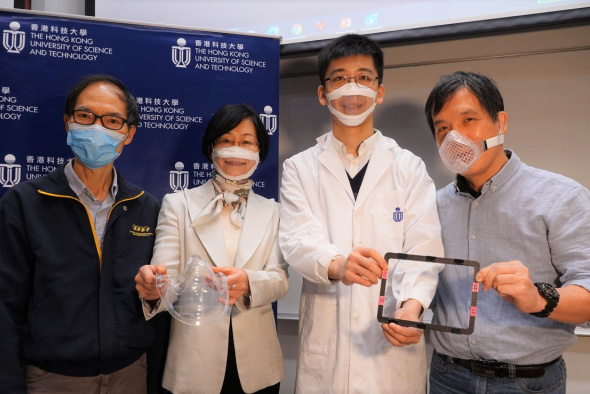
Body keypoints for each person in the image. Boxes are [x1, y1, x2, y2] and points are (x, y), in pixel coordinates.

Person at [278, 33, 444, 393]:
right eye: (339, 78)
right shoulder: (299, 168)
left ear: (379, 91)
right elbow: (296, 239)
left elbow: (424, 249)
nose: (351, 89)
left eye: (364, 77)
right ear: (323, 94)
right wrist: (338, 265)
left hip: (390, 340)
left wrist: (412, 308)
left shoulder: (409, 167)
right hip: (327, 343)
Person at [425, 70, 590, 393]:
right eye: (442, 128)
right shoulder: (433, 206)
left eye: (468, 120)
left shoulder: (562, 197)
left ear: (500, 123)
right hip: (447, 375)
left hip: (528, 382)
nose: (454, 138)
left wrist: (538, 297)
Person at [0, 74, 161, 393]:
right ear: (67, 122)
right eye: (85, 116)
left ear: (128, 133)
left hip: (131, 373)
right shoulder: (24, 203)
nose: (97, 128)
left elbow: (156, 303)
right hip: (51, 379)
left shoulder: (145, 206)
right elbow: (5, 305)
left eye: (113, 120)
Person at [135, 103, 289, 394]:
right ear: (211, 148)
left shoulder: (274, 211)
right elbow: (165, 278)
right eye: (227, 141)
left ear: (259, 149)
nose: (236, 150)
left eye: (246, 142)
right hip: (194, 361)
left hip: (258, 364)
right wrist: (155, 288)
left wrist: (248, 282)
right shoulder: (178, 204)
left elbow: (280, 279)